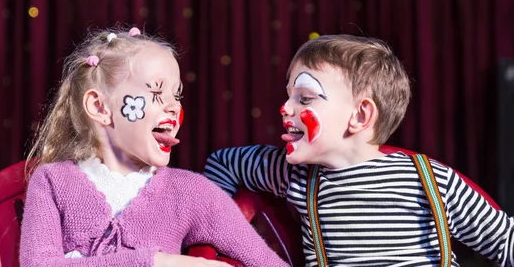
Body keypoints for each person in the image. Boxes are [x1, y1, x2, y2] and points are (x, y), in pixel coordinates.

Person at [204, 34, 514, 267]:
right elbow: (222, 164)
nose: (285, 108)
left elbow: (505, 241)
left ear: (361, 116)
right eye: (289, 96)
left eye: (305, 98)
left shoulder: (431, 180)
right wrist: (221, 234)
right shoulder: (293, 174)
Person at [19, 27, 289, 267]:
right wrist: (159, 262)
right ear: (100, 107)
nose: (175, 107)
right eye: (157, 92)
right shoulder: (52, 182)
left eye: (177, 95)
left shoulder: (191, 192)